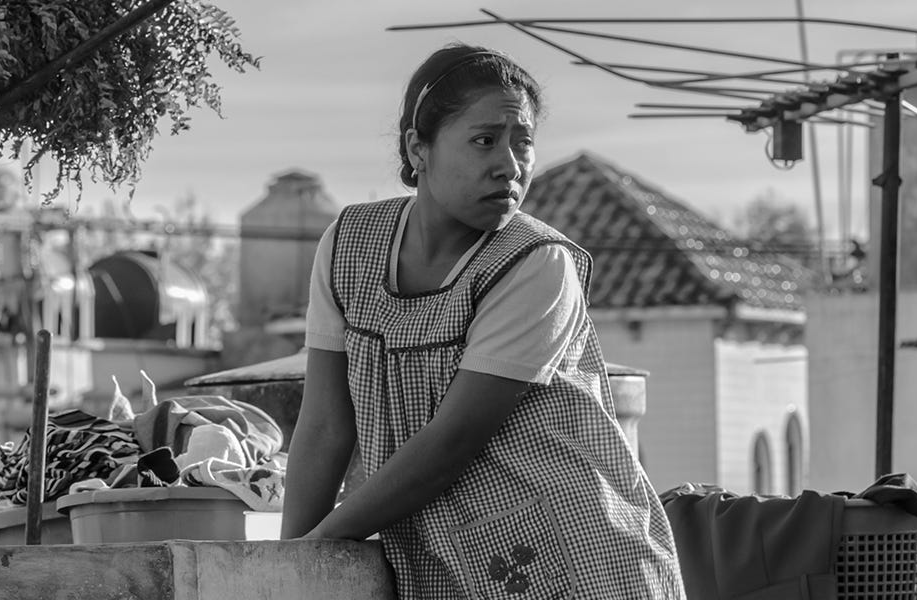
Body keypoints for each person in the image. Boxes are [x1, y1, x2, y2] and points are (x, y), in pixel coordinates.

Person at [281, 43, 685, 599]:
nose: (510, 165)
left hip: (583, 562)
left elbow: (451, 442)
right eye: (484, 140)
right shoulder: (349, 246)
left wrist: (321, 543)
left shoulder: (536, 263)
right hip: (447, 568)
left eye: (524, 142)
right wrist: (288, 565)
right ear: (417, 148)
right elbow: (326, 425)